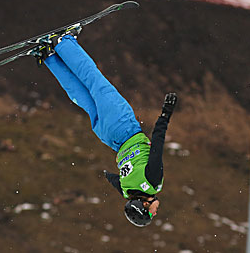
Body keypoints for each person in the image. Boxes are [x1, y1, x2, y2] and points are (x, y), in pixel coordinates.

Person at [41, 25, 177, 227]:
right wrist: (107, 175)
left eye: (150, 214)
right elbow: (113, 178)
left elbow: (158, 142)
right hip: (107, 136)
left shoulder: (153, 181)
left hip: (123, 127)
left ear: (144, 205)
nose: (155, 214)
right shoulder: (126, 191)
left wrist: (166, 112)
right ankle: (47, 56)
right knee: (81, 95)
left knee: (95, 81)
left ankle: (64, 43)